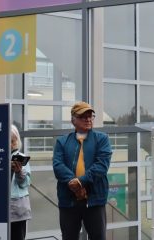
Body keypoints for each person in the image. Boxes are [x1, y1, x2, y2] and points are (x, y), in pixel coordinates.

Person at [53, 101, 113, 240]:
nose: (87, 119)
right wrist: (73, 184)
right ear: (73, 120)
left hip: (94, 199)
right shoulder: (62, 141)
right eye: (83, 116)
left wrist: (81, 182)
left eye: (90, 116)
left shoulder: (102, 139)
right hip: (68, 200)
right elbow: (58, 166)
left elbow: (102, 165)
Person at [10, 124, 31, 240]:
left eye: (13, 141)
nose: (11, 144)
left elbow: (25, 183)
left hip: (17, 209)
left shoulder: (21, 157)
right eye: (9, 140)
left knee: (17, 236)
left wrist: (19, 172)